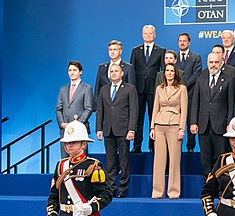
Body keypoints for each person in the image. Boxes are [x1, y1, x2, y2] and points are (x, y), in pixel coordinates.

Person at [95, 64, 138, 198]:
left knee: (124, 161)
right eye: (111, 71)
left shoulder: (130, 89)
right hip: (108, 129)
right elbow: (100, 110)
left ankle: (123, 190)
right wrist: (98, 129)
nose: (113, 73)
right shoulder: (104, 89)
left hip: (123, 130)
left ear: (122, 73)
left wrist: (131, 129)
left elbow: (133, 110)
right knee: (110, 161)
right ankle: (111, 188)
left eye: (116, 71)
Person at [191, 53, 235, 176]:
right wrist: (193, 122)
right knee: (205, 159)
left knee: (221, 158)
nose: (213, 65)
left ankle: (220, 187)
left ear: (221, 63)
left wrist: (229, 123)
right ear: (207, 63)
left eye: (216, 62)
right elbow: (195, 102)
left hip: (220, 126)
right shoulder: (201, 78)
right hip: (203, 125)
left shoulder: (228, 79)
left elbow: (231, 104)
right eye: (211, 62)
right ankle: (208, 187)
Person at [149, 63, 188, 199]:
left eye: (172, 70)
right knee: (159, 160)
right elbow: (155, 108)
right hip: (160, 124)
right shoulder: (159, 89)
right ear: (164, 73)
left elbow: (184, 110)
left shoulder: (182, 89)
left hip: (175, 124)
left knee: (174, 160)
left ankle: (173, 192)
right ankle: (157, 192)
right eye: (167, 70)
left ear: (175, 73)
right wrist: (152, 127)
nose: (170, 73)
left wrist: (182, 128)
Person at [130, 24, 166, 153]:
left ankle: (153, 145)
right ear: (142, 35)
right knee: (137, 118)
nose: (148, 35)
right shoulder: (136, 50)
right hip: (138, 90)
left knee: (154, 118)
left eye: (150, 33)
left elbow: (163, 71)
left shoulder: (161, 50)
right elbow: (131, 71)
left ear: (154, 35)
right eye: (146, 33)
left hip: (154, 89)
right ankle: (137, 145)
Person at [56, 61, 93, 157]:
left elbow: (88, 109)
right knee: (65, 161)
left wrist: (76, 124)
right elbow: (58, 109)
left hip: (80, 130)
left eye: (74, 70)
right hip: (65, 131)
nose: (72, 72)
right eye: (70, 70)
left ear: (80, 72)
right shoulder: (63, 89)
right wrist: (62, 123)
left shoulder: (87, 88)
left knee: (81, 162)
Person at [176, 33, 202, 153]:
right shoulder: (174, 58)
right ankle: (176, 147)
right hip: (175, 96)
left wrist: (183, 86)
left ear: (189, 42)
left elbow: (196, 75)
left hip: (191, 94)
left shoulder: (196, 57)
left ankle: (190, 147)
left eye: (184, 41)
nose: (182, 43)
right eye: (180, 41)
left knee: (190, 120)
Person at [94, 40, 135, 110]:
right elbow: (97, 89)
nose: (112, 52)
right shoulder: (102, 68)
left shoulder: (128, 68)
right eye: (110, 50)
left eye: (115, 49)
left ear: (120, 51)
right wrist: (96, 108)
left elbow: (132, 91)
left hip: (122, 109)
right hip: (105, 108)